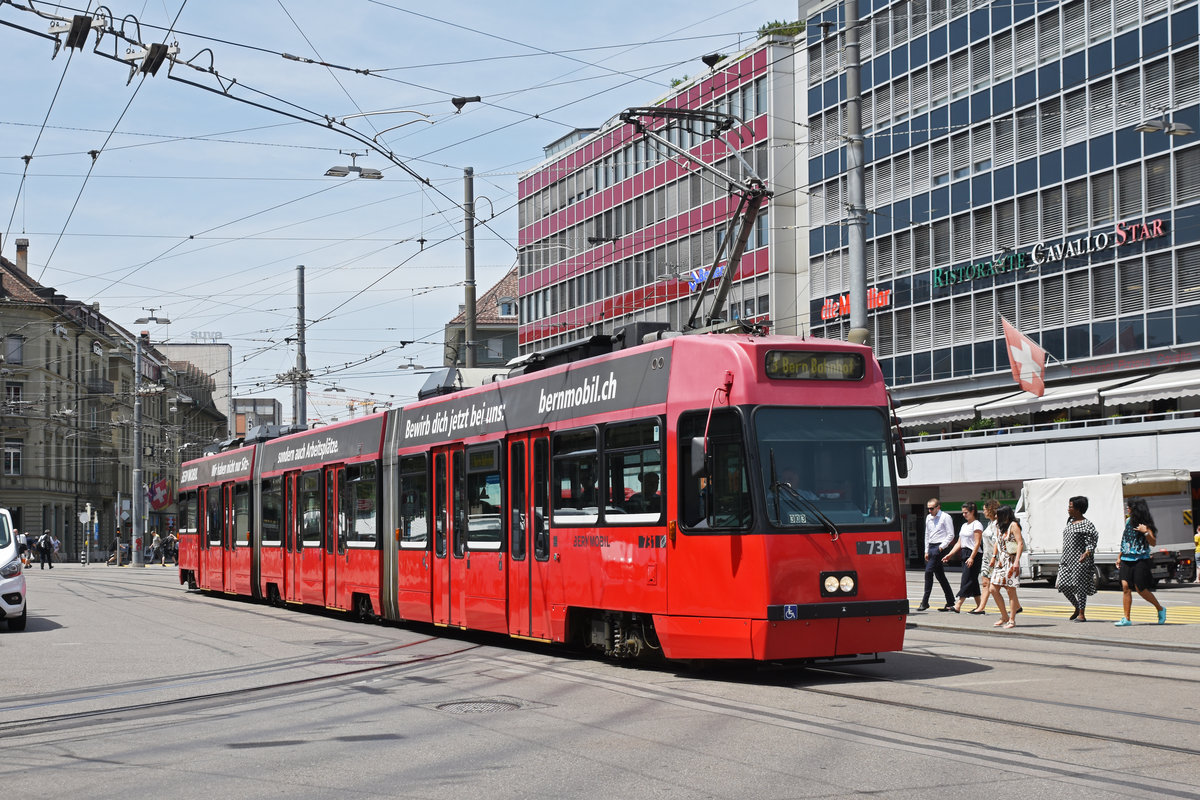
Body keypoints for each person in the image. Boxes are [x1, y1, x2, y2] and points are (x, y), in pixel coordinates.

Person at [1115, 497, 1166, 626]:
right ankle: (1126, 618)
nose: (1127, 508)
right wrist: (1119, 556)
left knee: (1140, 589)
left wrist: (1145, 533)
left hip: (1140, 560)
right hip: (1126, 559)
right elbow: (1126, 540)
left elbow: (1153, 543)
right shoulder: (1128, 521)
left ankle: (1160, 608)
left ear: (1135, 509)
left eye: (1129, 507)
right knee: (1125, 587)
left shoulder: (1145, 525)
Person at [1057, 496, 1099, 622]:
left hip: (1080, 560)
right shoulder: (1070, 522)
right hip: (1066, 559)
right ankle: (1076, 606)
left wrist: (1086, 553)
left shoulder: (1087, 524)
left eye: (1070, 507)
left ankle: (1082, 613)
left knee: (1080, 587)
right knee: (1062, 585)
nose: (1068, 509)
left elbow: (1092, 541)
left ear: (1078, 509)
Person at [941, 501, 982, 613]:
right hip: (965, 553)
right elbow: (959, 543)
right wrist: (950, 555)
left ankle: (958, 605)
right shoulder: (964, 525)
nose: (964, 515)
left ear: (972, 512)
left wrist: (972, 557)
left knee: (966, 580)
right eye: (963, 513)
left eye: (966, 512)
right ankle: (980, 607)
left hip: (974, 554)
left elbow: (977, 543)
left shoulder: (976, 524)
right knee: (972, 581)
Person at [987, 505, 1024, 628]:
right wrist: (994, 557)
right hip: (1001, 561)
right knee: (992, 588)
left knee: (1011, 591)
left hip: (1011, 560)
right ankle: (1004, 616)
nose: (996, 516)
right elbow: (997, 542)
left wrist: (1017, 561)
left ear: (1006, 515)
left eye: (999, 514)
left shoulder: (1014, 525)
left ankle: (1011, 620)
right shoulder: (999, 526)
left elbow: (1020, 543)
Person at [918, 498, 956, 611]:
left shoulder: (945, 517)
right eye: (928, 508)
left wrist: (941, 547)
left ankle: (925, 602)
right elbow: (927, 534)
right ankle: (950, 601)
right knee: (940, 576)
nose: (929, 511)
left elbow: (951, 534)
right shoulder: (928, 517)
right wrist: (926, 550)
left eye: (931, 508)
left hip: (939, 546)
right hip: (931, 546)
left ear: (938, 507)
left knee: (928, 572)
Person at [971, 500, 1001, 614]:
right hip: (986, 557)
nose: (983, 512)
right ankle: (981, 607)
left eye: (984, 509)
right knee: (985, 582)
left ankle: (1016, 606)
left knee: (1002, 585)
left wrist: (994, 557)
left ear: (990, 510)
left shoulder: (997, 524)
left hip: (995, 558)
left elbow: (997, 542)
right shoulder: (990, 523)